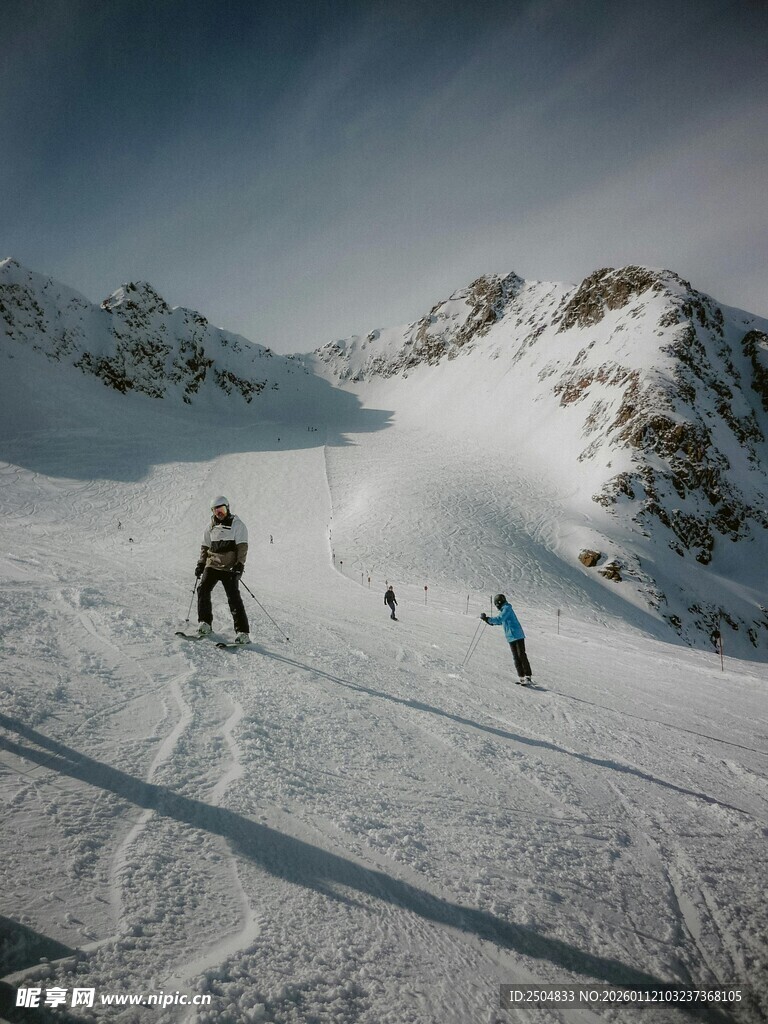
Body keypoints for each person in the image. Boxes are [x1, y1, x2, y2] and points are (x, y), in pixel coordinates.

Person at [194, 496, 250, 643]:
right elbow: (205, 547)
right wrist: (201, 564)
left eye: (222, 510)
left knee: (233, 598)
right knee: (203, 589)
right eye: (216, 510)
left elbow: (242, 547)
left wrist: (239, 565)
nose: (219, 513)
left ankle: (242, 632)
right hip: (212, 564)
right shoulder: (210, 527)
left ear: (228, 508)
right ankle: (205, 623)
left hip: (229, 567)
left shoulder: (237, 525)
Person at [481, 594, 533, 685]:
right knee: (516, 657)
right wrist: (488, 621)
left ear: (499, 603)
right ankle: (521, 677)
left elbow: (500, 619)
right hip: (510, 637)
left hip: (517, 635)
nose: (496, 606)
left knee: (521, 655)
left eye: (496, 604)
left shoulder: (507, 608)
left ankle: (528, 677)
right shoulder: (504, 610)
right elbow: (501, 622)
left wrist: (488, 619)